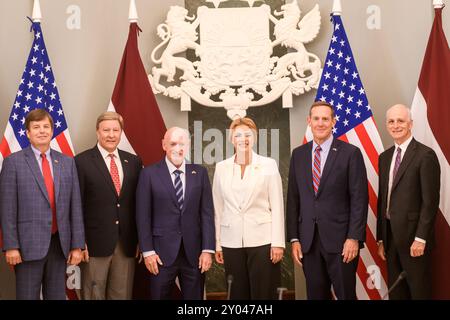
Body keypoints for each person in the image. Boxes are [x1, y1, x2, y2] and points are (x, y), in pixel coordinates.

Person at [286, 101, 368, 300]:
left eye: (325, 119)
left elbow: (359, 198)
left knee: (345, 295)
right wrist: (295, 238)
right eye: (316, 119)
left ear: (333, 122)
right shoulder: (298, 155)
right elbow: (293, 200)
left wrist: (353, 237)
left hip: (342, 242)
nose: (320, 123)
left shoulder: (350, 153)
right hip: (309, 242)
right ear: (309, 121)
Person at [0, 109, 84, 300]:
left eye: (46, 126)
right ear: (28, 133)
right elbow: (7, 209)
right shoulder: (13, 163)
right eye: (36, 127)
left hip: (59, 245)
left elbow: (75, 207)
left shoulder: (67, 162)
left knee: (56, 296)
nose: (42, 131)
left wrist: (77, 245)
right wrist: (11, 246)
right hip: (27, 246)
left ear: (52, 130)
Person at [136, 127, 215, 300]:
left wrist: (208, 249)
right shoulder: (148, 174)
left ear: (187, 146)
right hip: (160, 255)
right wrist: (147, 251)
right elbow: (143, 216)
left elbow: (207, 214)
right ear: (164, 145)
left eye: (182, 144)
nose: (177, 148)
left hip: (194, 254)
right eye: (172, 143)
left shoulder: (200, 173)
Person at [213, 117, 285, 300]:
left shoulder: (268, 164)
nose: (243, 139)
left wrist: (278, 242)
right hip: (231, 242)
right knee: (237, 294)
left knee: (264, 294)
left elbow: (277, 205)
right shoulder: (221, 167)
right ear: (231, 139)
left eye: (247, 134)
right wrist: (218, 243)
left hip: (263, 241)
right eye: (238, 135)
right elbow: (217, 207)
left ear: (254, 137)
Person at [75, 111, 142, 300]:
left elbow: (138, 205)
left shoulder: (134, 162)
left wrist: (139, 240)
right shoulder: (81, 161)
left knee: (121, 295)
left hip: (126, 245)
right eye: (106, 130)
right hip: (93, 245)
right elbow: (76, 205)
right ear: (97, 132)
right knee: (93, 295)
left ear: (121, 133)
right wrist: (80, 242)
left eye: (115, 130)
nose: (111, 135)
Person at [376, 104, 440, 300]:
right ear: (387, 125)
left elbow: (430, 202)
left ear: (410, 124)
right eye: (391, 121)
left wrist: (421, 238)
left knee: (419, 292)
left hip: (414, 240)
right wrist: (381, 238)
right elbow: (383, 200)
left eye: (401, 121)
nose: (396, 125)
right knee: (397, 293)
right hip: (390, 239)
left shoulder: (425, 155)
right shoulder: (385, 157)